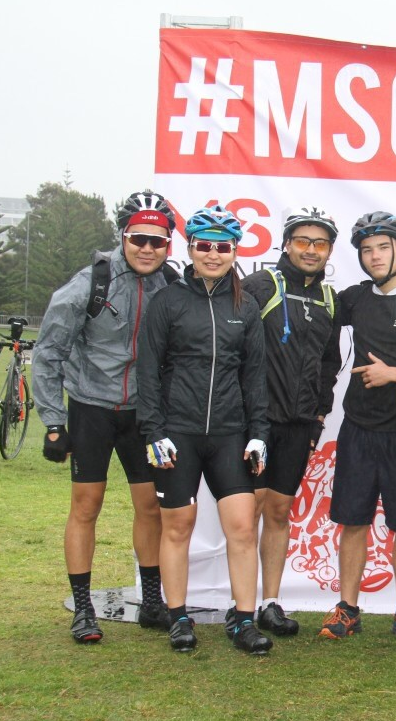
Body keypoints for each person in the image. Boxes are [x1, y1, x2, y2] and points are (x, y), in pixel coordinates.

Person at [34, 190, 178, 643]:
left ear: (169, 244)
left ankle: (152, 602)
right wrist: (54, 422)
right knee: (86, 506)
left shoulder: (172, 285)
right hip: (91, 408)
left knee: (150, 506)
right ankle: (83, 610)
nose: (147, 249)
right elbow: (49, 352)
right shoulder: (90, 283)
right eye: (139, 239)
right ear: (123, 236)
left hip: (143, 413)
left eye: (158, 241)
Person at [136, 204, 272, 655]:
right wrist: (153, 431)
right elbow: (148, 372)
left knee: (242, 528)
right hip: (177, 431)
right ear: (191, 249)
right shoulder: (168, 301)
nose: (213, 255)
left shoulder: (245, 305)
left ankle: (244, 620)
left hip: (230, 433)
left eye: (223, 247)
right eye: (205, 246)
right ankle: (178, 617)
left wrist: (259, 433)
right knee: (178, 526)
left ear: (235, 252)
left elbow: (254, 376)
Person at [318, 211, 396, 640]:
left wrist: (395, 374)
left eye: (384, 247)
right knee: (353, 521)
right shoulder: (353, 299)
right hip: (358, 428)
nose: (375, 256)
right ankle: (347, 608)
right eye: (367, 250)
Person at [240, 206, 342, 638]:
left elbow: (330, 363)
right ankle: (240, 606)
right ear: (286, 244)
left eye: (320, 243)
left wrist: (319, 414)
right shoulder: (259, 286)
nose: (311, 250)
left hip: (299, 423)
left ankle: (270, 603)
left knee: (279, 512)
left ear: (329, 250)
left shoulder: (329, 299)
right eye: (303, 241)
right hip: (256, 422)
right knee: (249, 512)